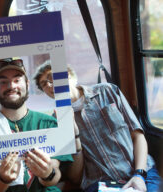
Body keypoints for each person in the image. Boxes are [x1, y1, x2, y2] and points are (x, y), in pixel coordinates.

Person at [33, 62, 162, 192]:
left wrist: (139, 174)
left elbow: (138, 135)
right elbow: (76, 177)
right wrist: (74, 134)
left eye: (51, 77)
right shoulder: (55, 121)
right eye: (44, 84)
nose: (49, 84)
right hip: (100, 183)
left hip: (142, 171)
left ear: (69, 75)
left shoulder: (107, 91)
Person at [0, 58, 82, 192]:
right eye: (3, 82)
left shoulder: (48, 123)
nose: (11, 86)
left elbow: (55, 175)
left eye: (17, 80)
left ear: (27, 84)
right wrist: (2, 179)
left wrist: (48, 173)